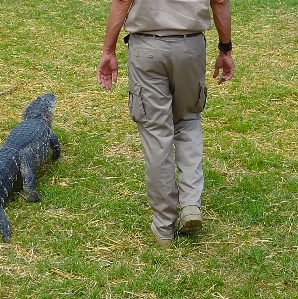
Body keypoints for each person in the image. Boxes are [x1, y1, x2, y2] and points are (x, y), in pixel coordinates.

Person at [97, 0, 235, 244]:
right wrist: (226, 49)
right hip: (190, 47)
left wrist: (108, 51)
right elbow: (220, 2)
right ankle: (191, 203)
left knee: (156, 132)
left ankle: (163, 225)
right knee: (189, 120)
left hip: (147, 47)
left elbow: (121, 1)